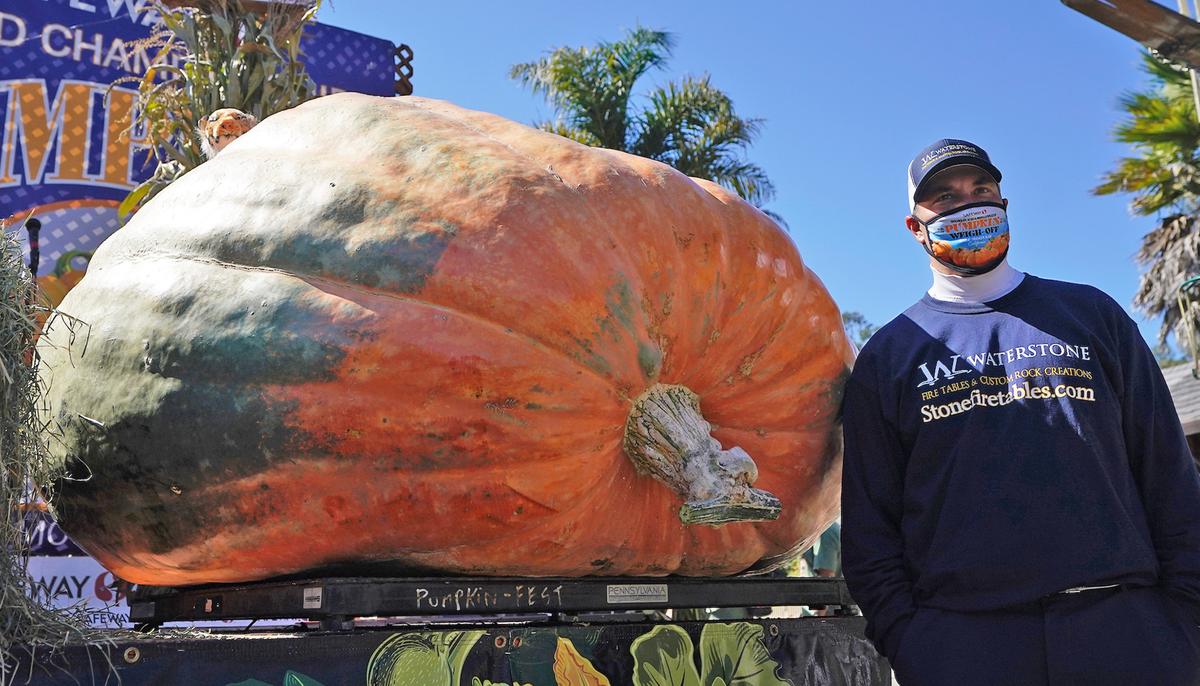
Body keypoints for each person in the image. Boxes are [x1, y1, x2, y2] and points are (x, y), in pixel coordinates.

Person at [840, 138, 1200, 685]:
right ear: (915, 226)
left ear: (1005, 204)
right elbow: (870, 528)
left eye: (981, 189)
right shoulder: (889, 356)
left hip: (1127, 633)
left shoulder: (1092, 315)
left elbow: (1169, 474)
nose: (969, 203)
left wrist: (1181, 623)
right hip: (964, 645)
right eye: (945, 196)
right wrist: (912, 642)